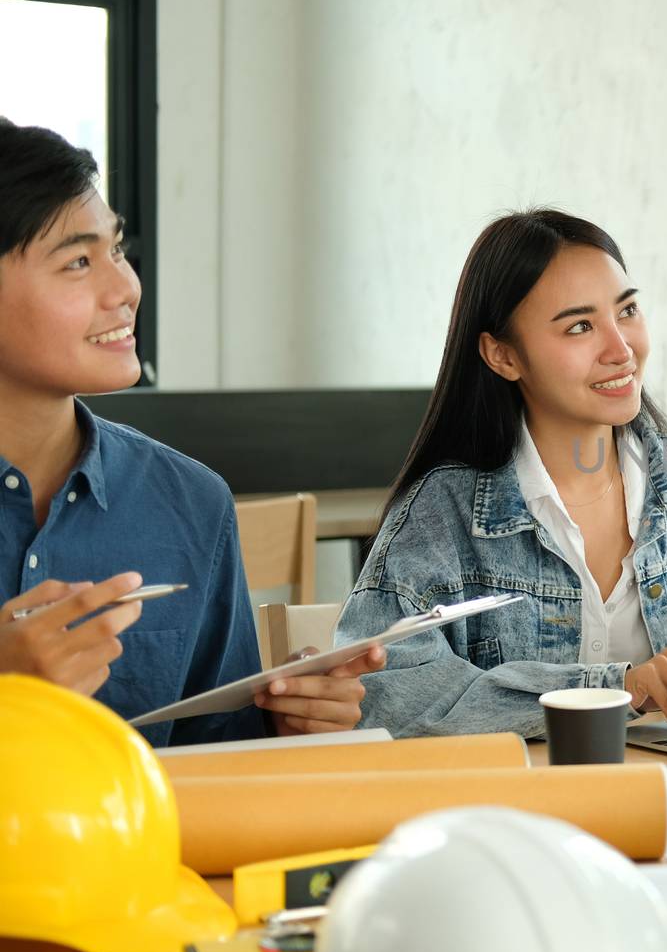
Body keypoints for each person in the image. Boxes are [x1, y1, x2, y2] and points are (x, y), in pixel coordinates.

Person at [0, 118, 383, 746]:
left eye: (116, 251)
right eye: (77, 261)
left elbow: (216, 752)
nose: (125, 288)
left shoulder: (191, 503)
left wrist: (283, 720)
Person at [332, 208, 667, 739]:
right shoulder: (441, 511)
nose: (621, 349)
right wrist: (618, 689)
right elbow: (384, 695)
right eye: (580, 326)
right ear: (502, 355)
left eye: (628, 311)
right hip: (515, 808)